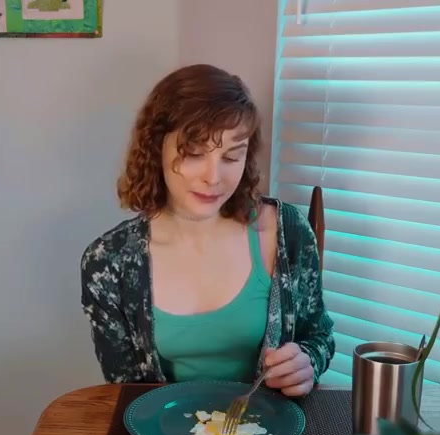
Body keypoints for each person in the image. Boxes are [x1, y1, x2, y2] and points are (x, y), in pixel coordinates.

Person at [80, 64, 335, 397]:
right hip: (163, 426)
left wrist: (307, 362)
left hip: (270, 425)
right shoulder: (108, 262)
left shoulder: (287, 231)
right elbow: (125, 391)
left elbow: (318, 337)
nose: (213, 178)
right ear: (156, 149)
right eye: (194, 153)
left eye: (231, 157)